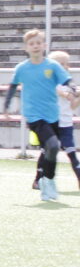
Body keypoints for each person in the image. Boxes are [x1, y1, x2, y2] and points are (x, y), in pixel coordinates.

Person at [3, 29, 73, 201]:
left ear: (44, 45)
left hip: (52, 115)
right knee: (53, 145)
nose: (35, 46)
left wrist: (73, 88)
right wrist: (6, 105)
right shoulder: (22, 68)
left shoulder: (52, 66)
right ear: (26, 48)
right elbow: (13, 86)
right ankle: (47, 182)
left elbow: (66, 80)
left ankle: (46, 179)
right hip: (34, 116)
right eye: (31, 44)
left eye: (38, 43)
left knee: (51, 150)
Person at [47, 51, 80, 188]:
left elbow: (73, 106)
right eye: (61, 64)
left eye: (67, 64)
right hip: (51, 123)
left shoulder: (69, 83)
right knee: (48, 153)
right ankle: (40, 179)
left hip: (66, 124)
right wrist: (70, 94)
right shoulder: (50, 81)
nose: (66, 67)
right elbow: (60, 92)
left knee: (71, 152)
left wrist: (77, 96)